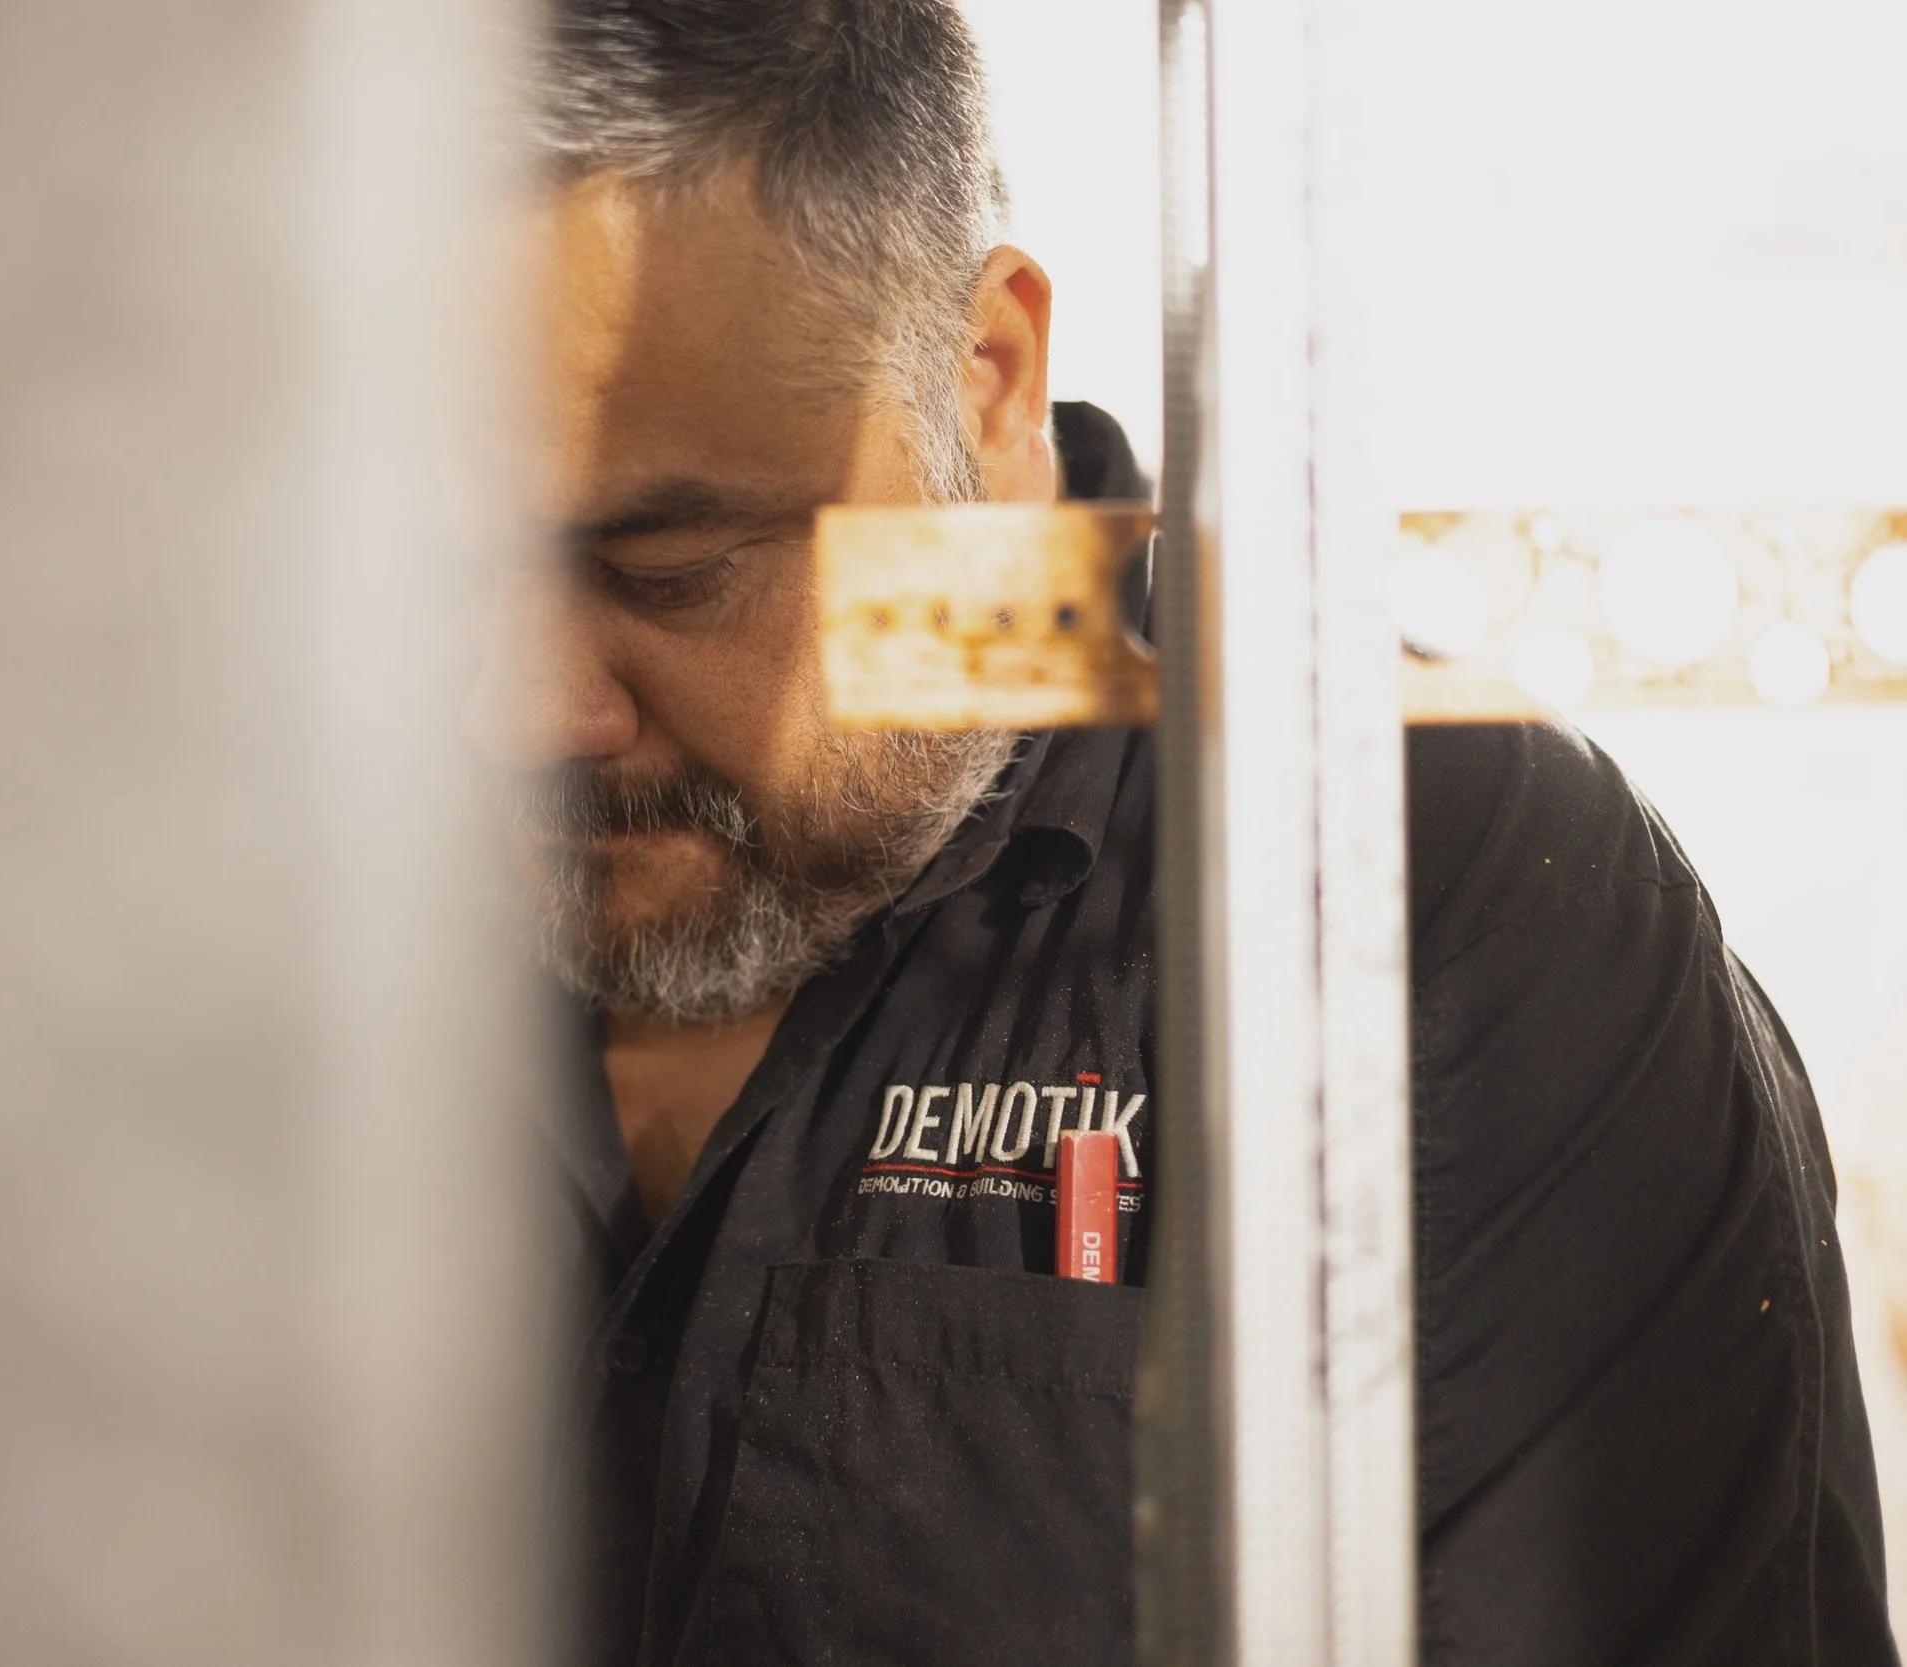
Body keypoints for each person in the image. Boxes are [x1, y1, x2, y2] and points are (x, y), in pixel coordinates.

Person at [476, 1, 1897, 1660]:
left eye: (670, 569)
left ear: (984, 376)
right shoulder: (296, 896)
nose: (517, 709)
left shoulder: (1417, 897)